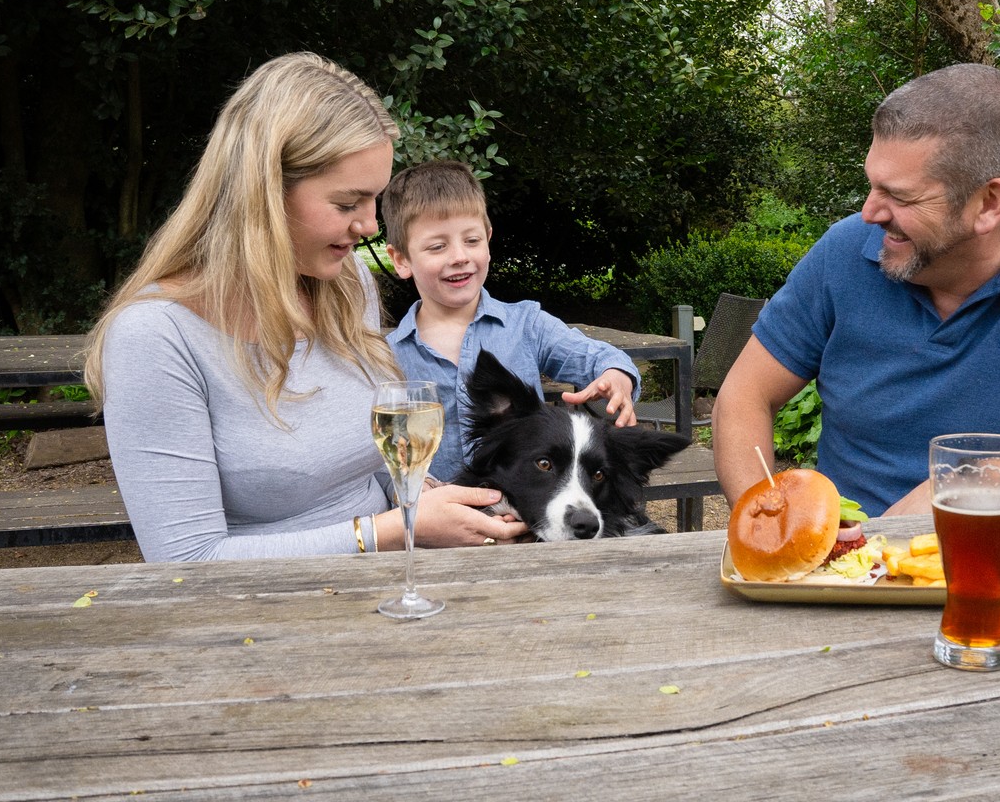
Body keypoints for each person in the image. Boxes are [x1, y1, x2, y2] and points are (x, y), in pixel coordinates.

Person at [84, 52, 526, 561]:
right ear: (265, 192)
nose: (370, 227)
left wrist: (424, 500)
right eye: (346, 204)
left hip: (391, 573)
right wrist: (388, 530)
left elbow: (364, 465)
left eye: (373, 201)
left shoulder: (343, 285)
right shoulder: (155, 336)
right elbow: (186, 559)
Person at [712, 63, 1000, 516]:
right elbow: (743, 397)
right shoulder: (844, 252)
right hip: (852, 570)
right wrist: (768, 519)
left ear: (989, 203)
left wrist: (957, 485)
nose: (870, 212)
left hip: (999, 565)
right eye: (873, 185)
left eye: (901, 196)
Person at [381, 160, 641, 482]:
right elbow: (380, 458)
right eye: (438, 246)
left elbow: (599, 357)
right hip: (438, 522)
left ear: (488, 239)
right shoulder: (386, 357)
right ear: (402, 260)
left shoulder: (527, 325)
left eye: (472, 241)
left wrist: (617, 377)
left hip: (528, 518)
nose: (460, 256)